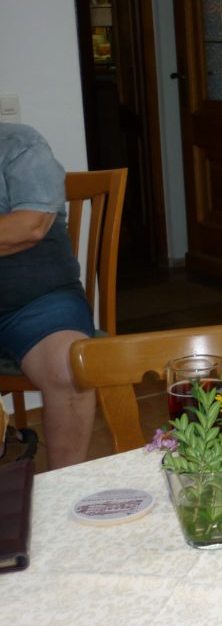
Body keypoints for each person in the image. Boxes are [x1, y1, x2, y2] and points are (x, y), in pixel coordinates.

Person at [0, 123, 95, 468]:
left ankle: (64, 489)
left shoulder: (18, 144)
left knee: (67, 366)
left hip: (37, 302)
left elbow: (30, 225)